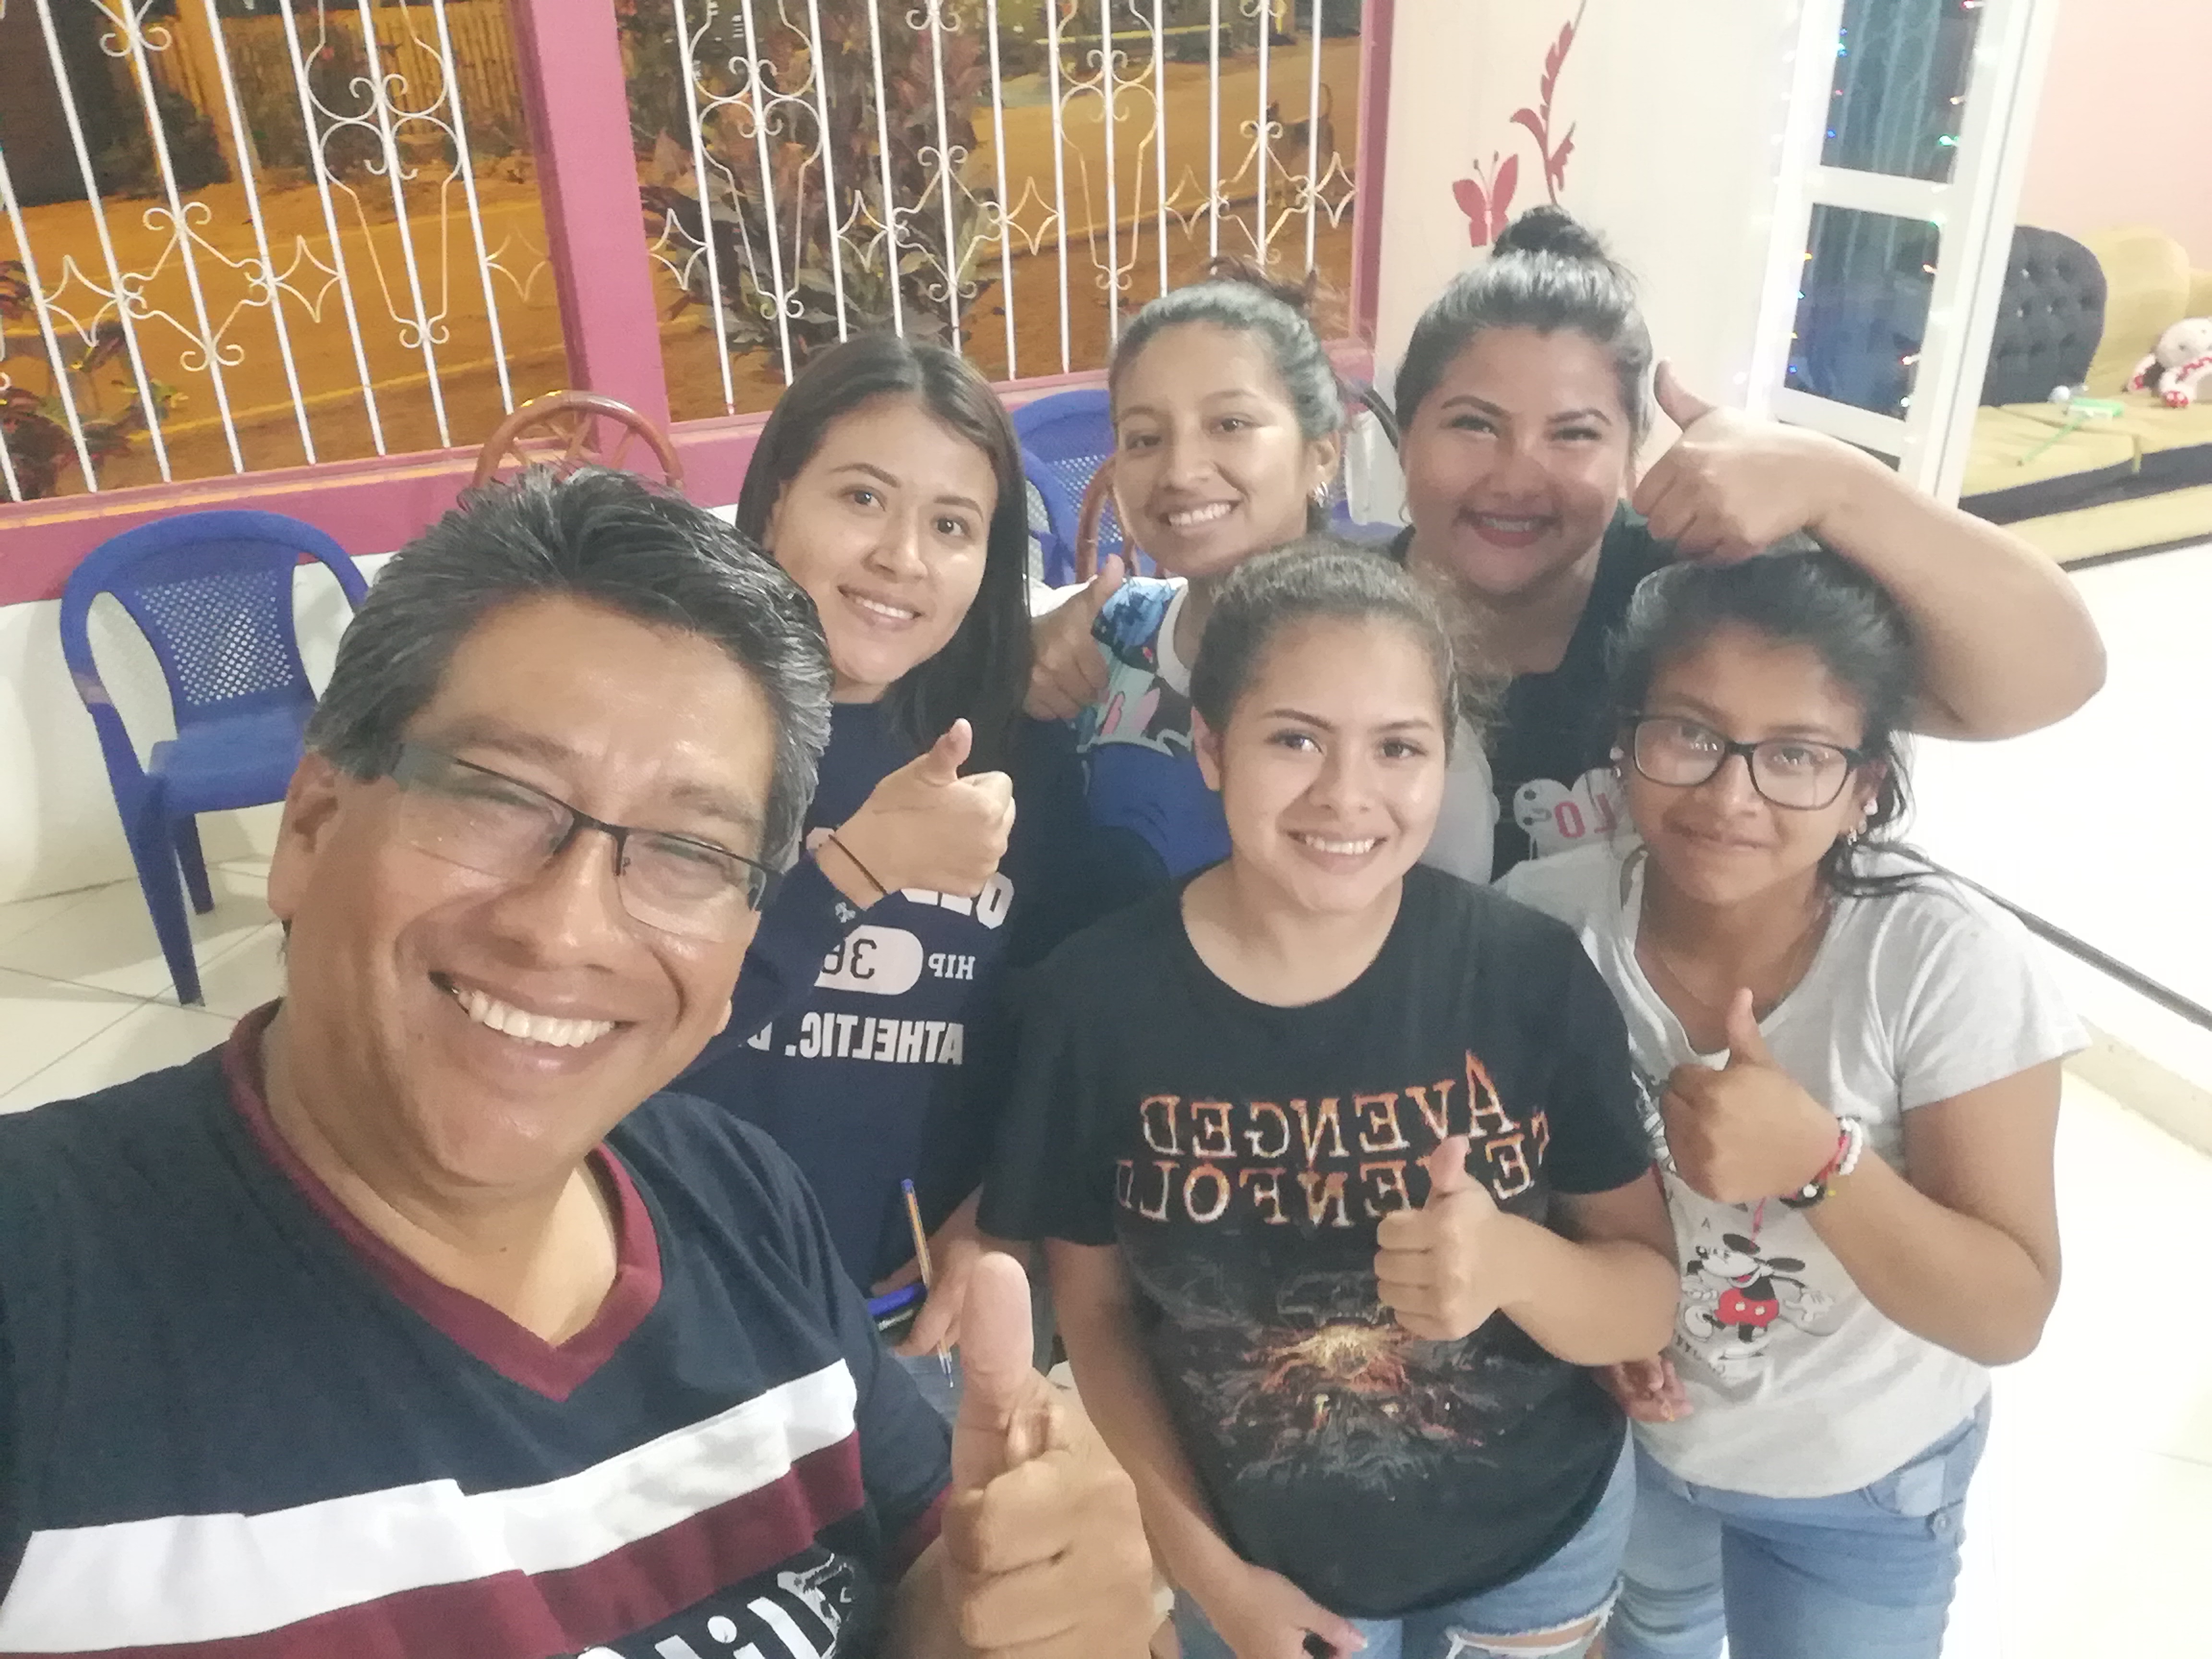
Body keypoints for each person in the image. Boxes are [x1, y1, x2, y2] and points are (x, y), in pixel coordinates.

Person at [0, 469, 1156, 1659]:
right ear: (312, 827)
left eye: (688, 851)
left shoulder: (739, 1201)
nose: (564, 932)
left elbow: (920, 1591)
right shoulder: (42, 1288)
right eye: (498, 798)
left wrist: (1026, 1607)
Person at [986, 542, 1678, 1659]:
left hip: (1537, 1540)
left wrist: (1511, 1263)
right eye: (1295, 739)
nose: (1347, 795)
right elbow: (1099, 1321)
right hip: (1258, 1567)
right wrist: (1213, 1578)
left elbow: (1645, 1301)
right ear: (1213, 747)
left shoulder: (1528, 974)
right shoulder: (1096, 1003)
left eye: (1398, 747)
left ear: (1446, 760)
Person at [1499, 549, 2080, 1658]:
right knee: (1655, 1636)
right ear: (1624, 742)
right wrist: (1595, 1318)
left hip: (1863, 1483)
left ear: (1867, 789)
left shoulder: (1941, 962)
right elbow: (1536, 1182)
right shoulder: (1543, 922)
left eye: (1798, 756)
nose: (1732, 796)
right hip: (1641, 1447)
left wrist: (1821, 1162)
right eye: (1691, 735)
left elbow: (2008, 1312)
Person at [1392, 204, 2106, 880]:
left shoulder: (1703, 596)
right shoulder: (1345, 611)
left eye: (1574, 434)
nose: (1518, 478)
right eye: (1474, 425)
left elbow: (2051, 679)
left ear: (1632, 457)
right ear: (1404, 437)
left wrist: (1836, 485)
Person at [677, 336, 1100, 1407]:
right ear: (776, 499)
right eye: (862, 498)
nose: (903, 557)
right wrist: (853, 873)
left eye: (953, 526)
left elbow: (1069, 1031)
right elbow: (637, 1037)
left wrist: (1002, 1210)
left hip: (915, 1317)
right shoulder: (678, 745)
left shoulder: (1015, 758)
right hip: (692, 1311)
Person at [1023, 268, 1504, 896]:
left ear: (1322, 454)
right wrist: (1019, 655)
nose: (1181, 470)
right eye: (1144, 439)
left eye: (1230, 424)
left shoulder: (1395, 687)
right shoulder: (1103, 637)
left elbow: (1448, 922)